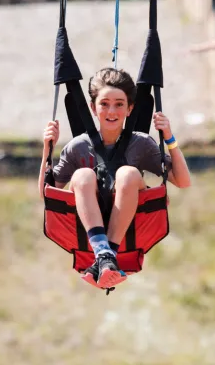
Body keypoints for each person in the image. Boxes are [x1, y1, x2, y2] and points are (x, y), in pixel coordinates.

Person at [40, 67, 191, 290]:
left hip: (132, 223)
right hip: (87, 224)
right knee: (82, 176)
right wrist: (46, 149)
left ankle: (104, 255)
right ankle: (104, 255)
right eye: (104, 104)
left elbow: (183, 181)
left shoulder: (142, 144)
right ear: (93, 108)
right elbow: (47, 195)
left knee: (127, 174)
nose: (112, 110)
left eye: (119, 104)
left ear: (130, 109)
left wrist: (169, 138)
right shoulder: (78, 147)